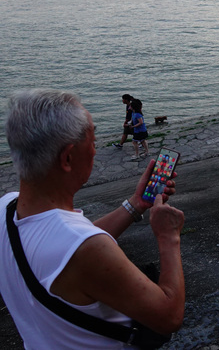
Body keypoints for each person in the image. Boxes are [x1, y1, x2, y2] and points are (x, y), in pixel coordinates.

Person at [0, 89, 185, 349]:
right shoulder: (84, 248)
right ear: (67, 158)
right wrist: (169, 237)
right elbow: (169, 316)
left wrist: (135, 204)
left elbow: (65, 248)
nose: (96, 151)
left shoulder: (7, 207)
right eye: (93, 141)